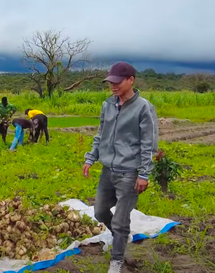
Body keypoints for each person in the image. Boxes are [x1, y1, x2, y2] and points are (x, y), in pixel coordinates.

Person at [82, 62, 159, 273]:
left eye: (117, 82)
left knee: (120, 220)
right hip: (108, 170)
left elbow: (148, 144)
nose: (113, 86)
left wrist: (143, 174)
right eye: (110, 82)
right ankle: (121, 238)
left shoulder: (143, 107)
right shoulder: (108, 105)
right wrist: (91, 158)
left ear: (130, 80)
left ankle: (116, 261)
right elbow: (100, 134)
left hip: (129, 173)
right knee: (99, 212)